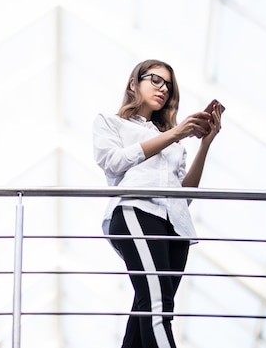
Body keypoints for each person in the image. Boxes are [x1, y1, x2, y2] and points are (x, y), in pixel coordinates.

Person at [92, 59, 223, 348]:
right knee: (157, 305)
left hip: (176, 228)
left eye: (168, 85)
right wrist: (175, 133)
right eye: (155, 80)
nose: (163, 88)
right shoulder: (111, 123)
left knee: (147, 306)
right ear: (133, 83)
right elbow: (113, 162)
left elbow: (183, 197)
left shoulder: (175, 145)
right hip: (135, 210)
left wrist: (204, 144)